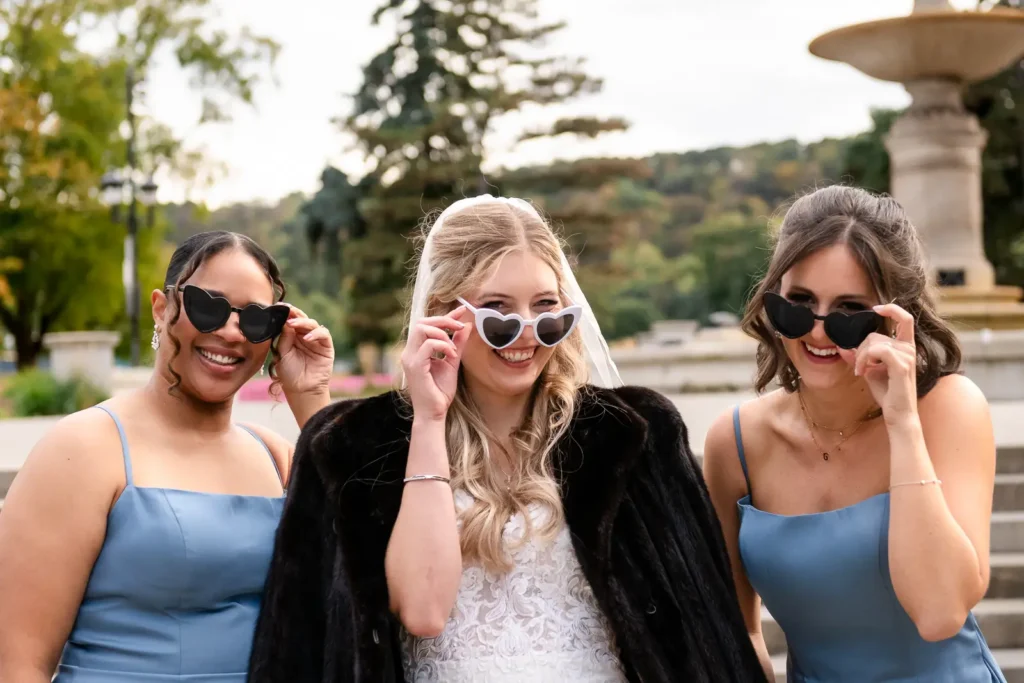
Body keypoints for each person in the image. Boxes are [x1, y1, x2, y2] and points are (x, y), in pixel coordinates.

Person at [247, 195, 767, 683]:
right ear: (446, 314)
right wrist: (429, 420)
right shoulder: (363, 445)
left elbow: (703, 625)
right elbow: (423, 612)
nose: (526, 333)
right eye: (498, 314)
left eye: (548, 312)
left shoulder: (635, 434)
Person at [0, 231, 335, 682]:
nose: (231, 331)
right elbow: (18, 664)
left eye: (258, 320)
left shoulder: (277, 458)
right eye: (208, 307)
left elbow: (371, 567)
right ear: (162, 309)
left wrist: (312, 397)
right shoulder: (83, 449)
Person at [702, 185, 1005, 682]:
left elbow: (940, 613)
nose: (818, 332)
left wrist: (902, 424)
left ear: (894, 318)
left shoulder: (950, 408)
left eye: (848, 313)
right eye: (797, 304)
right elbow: (738, 629)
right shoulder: (735, 443)